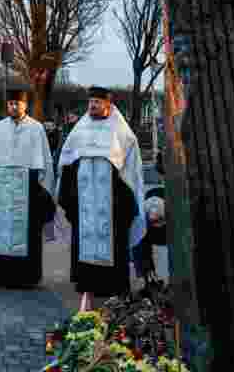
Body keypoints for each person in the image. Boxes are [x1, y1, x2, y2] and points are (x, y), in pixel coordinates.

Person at [56, 86, 145, 311]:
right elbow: (67, 162)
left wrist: (124, 201)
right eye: (91, 102)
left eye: (97, 102)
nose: (93, 105)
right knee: (85, 238)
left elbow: (131, 170)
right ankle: (87, 282)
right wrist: (70, 195)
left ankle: (114, 284)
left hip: (113, 204)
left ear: (108, 104)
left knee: (113, 241)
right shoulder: (80, 130)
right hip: (84, 200)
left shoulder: (121, 132)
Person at [0, 88, 57, 288]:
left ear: (25, 105)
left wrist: (40, 186)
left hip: (28, 192)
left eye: (18, 104)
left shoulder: (36, 128)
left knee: (28, 233)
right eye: (11, 104)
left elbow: (45, 163)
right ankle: (0, 275)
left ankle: (27, 277)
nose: (14, 107)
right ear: (7, 106)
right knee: (1, 231)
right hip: (3, 190)